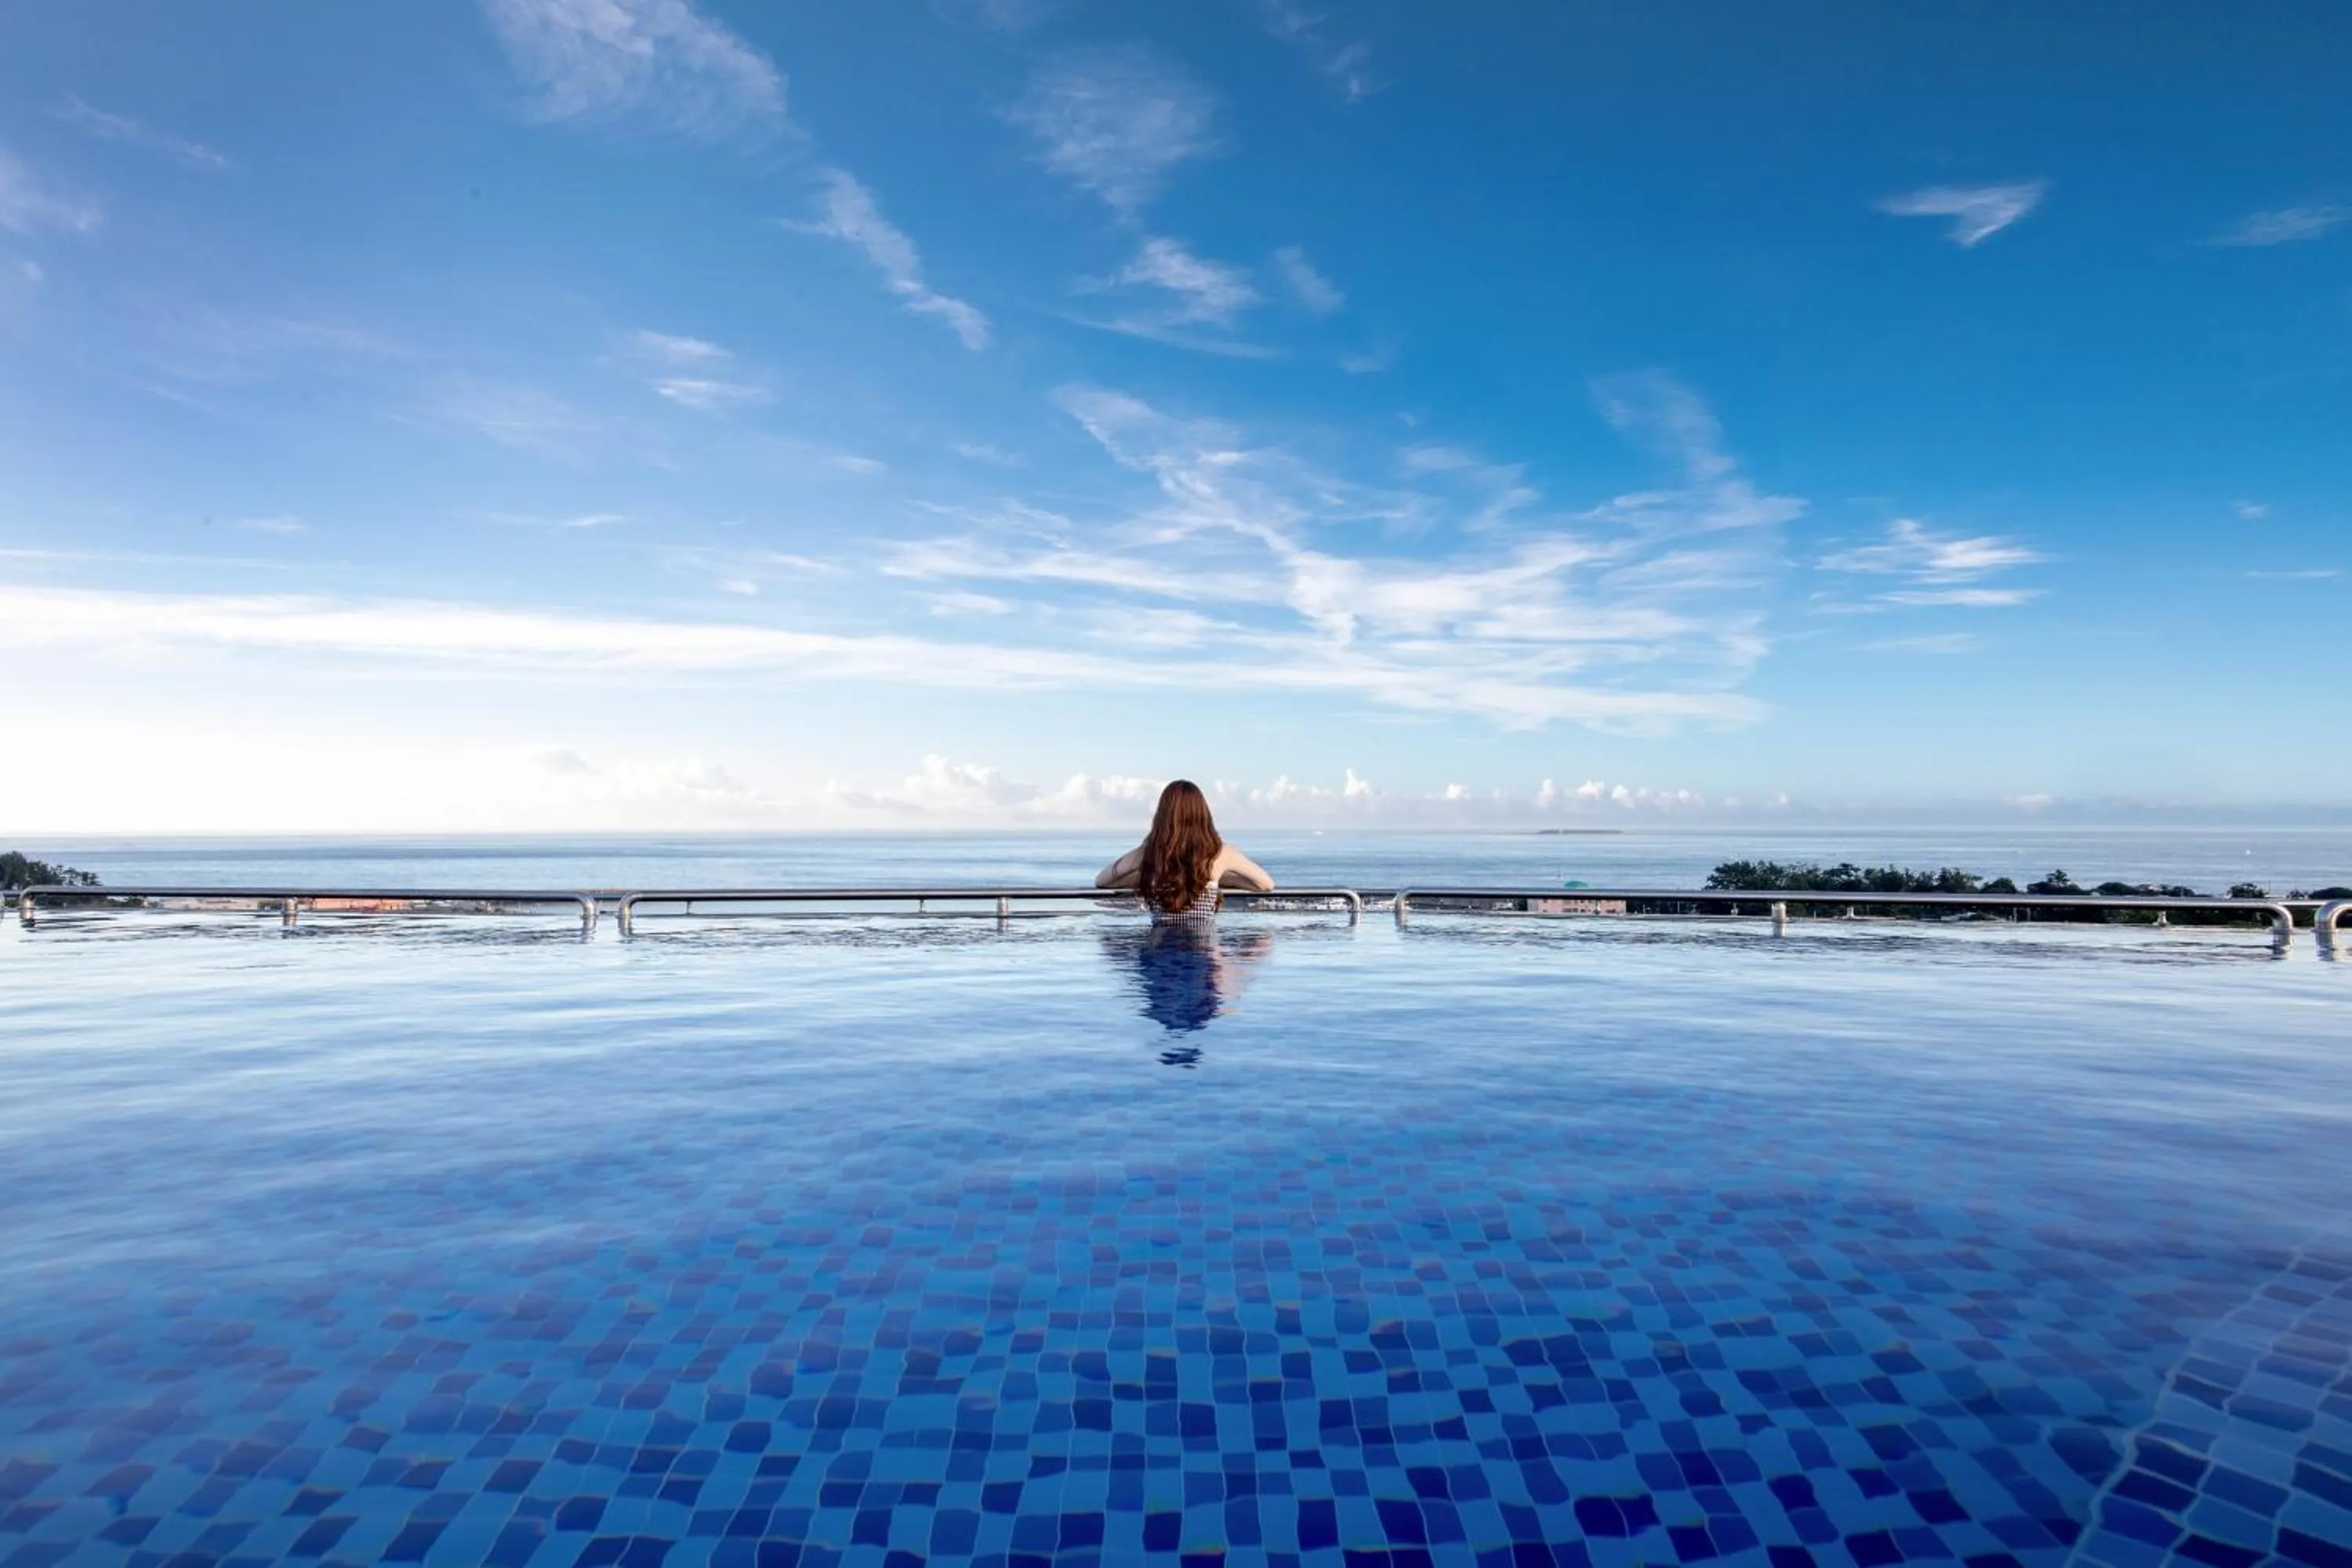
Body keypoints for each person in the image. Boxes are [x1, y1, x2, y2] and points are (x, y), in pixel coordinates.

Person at [1094, 779, 1274, 919]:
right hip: (1205, 959)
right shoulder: (1220, 853)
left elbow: (1102, 880)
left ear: (1163, 815)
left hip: (1159, 955)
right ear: (1202, 814)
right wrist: (1218, 880)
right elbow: (1266, 884)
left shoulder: (1149, 852)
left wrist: (1145, 879)